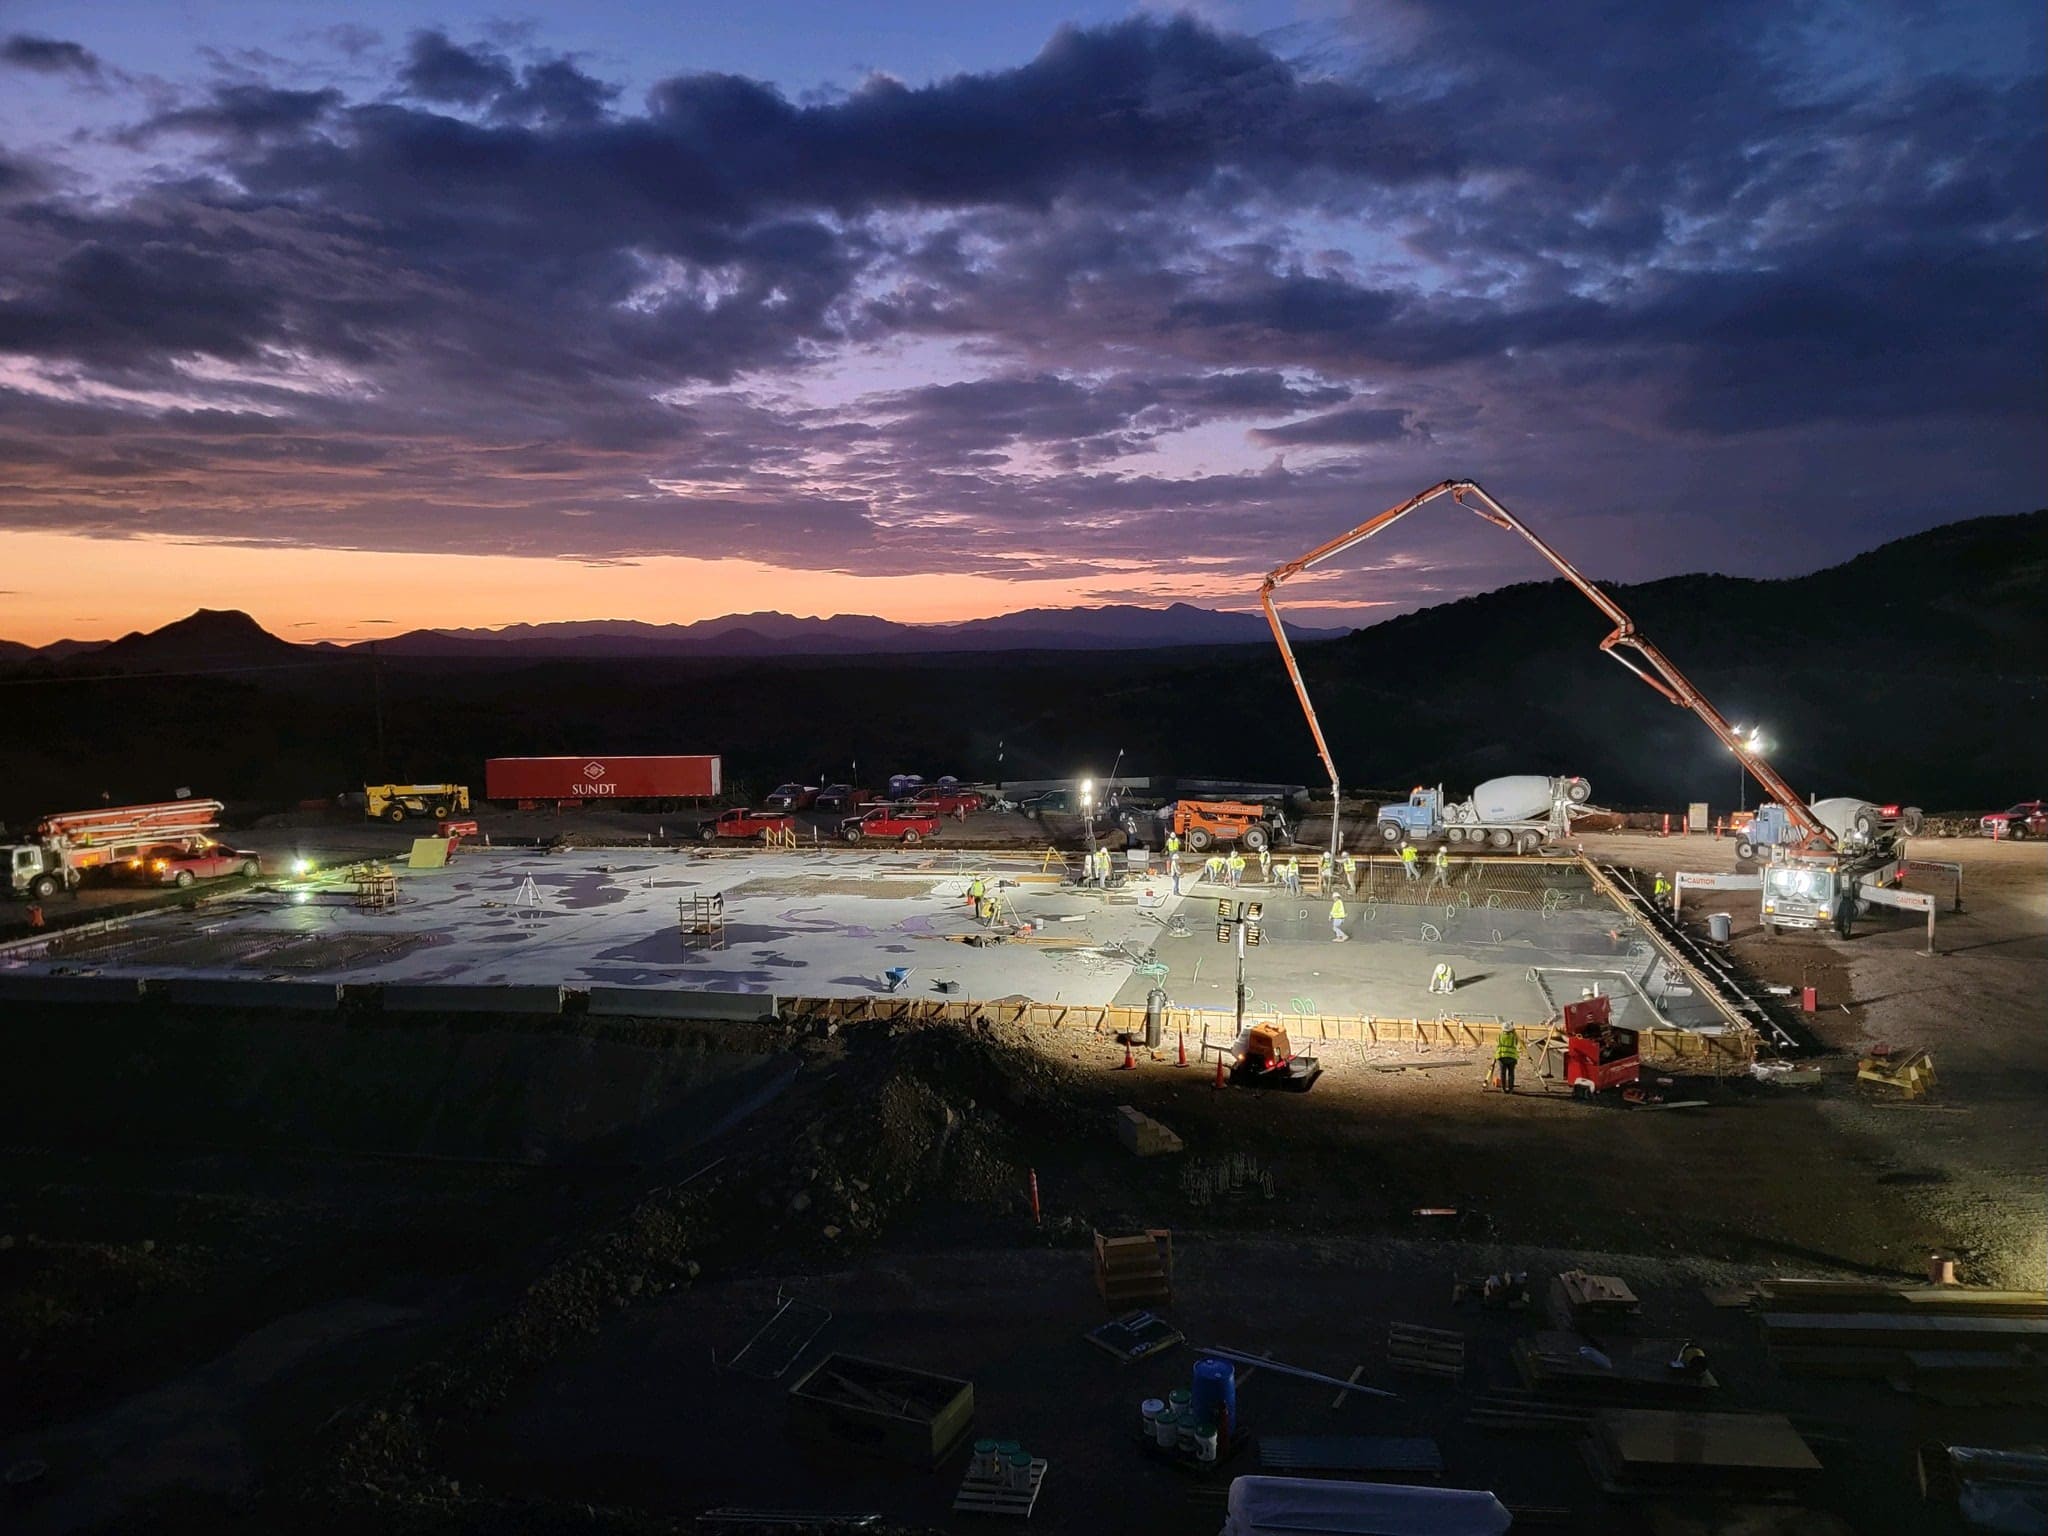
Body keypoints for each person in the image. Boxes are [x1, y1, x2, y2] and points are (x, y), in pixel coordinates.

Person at [1495, 1024, 1521, 1093]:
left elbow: (1497, 1043)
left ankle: (1503, 1089)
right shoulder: (1514, 1036)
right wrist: (1514, 1032)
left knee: (1502, 1073)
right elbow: (1517, 1043)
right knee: (1511, 1073)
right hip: (1512, 1057)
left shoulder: (1499, 1035)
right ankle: (1511, 1089)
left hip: (1502, 1056)